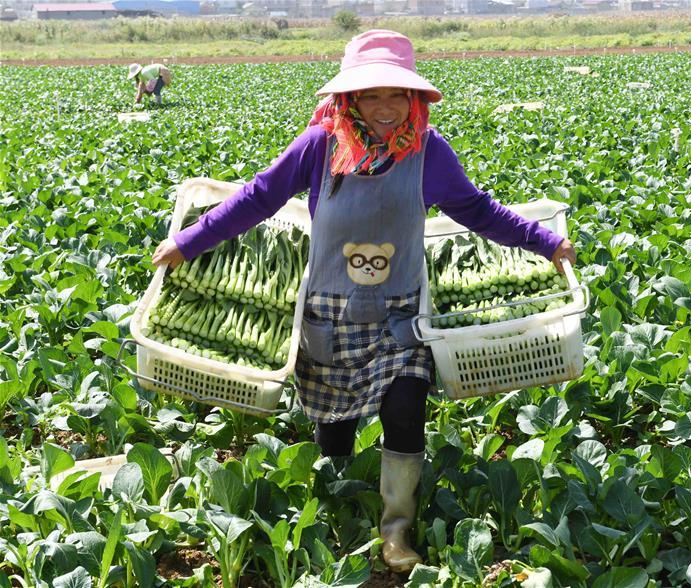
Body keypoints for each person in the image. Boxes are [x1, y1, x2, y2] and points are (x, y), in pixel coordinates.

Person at [151, 29, 576, 572]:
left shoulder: (429, 153)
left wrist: (544, 242)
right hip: (330, 314)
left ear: (414, 98)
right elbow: (260, 196)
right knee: (335, 428)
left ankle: (396, 528)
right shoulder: (319, 146)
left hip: (401, 315)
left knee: (406, 408)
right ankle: (340, 512)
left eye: (397, 95)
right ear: (349, 99)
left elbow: (478, 210)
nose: (385, 108)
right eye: (371, 95)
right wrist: (189, 241)